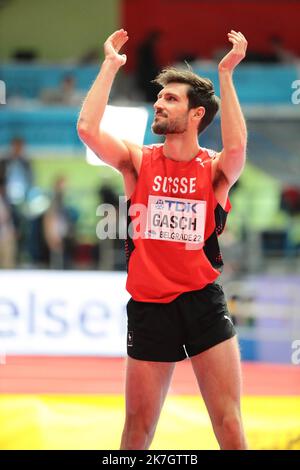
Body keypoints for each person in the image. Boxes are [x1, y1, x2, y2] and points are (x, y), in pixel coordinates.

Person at [77, 29, 248, 450]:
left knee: (228, 425)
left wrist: (225, 74)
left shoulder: (213, 173)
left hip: (202, 304)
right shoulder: (138, 162)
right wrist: (110, 66)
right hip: (150, 309)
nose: (159, 102)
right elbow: (86, 127)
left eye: (171, 99)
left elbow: (238, 145)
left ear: (196, 116)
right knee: (136, 432)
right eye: (159, 97)